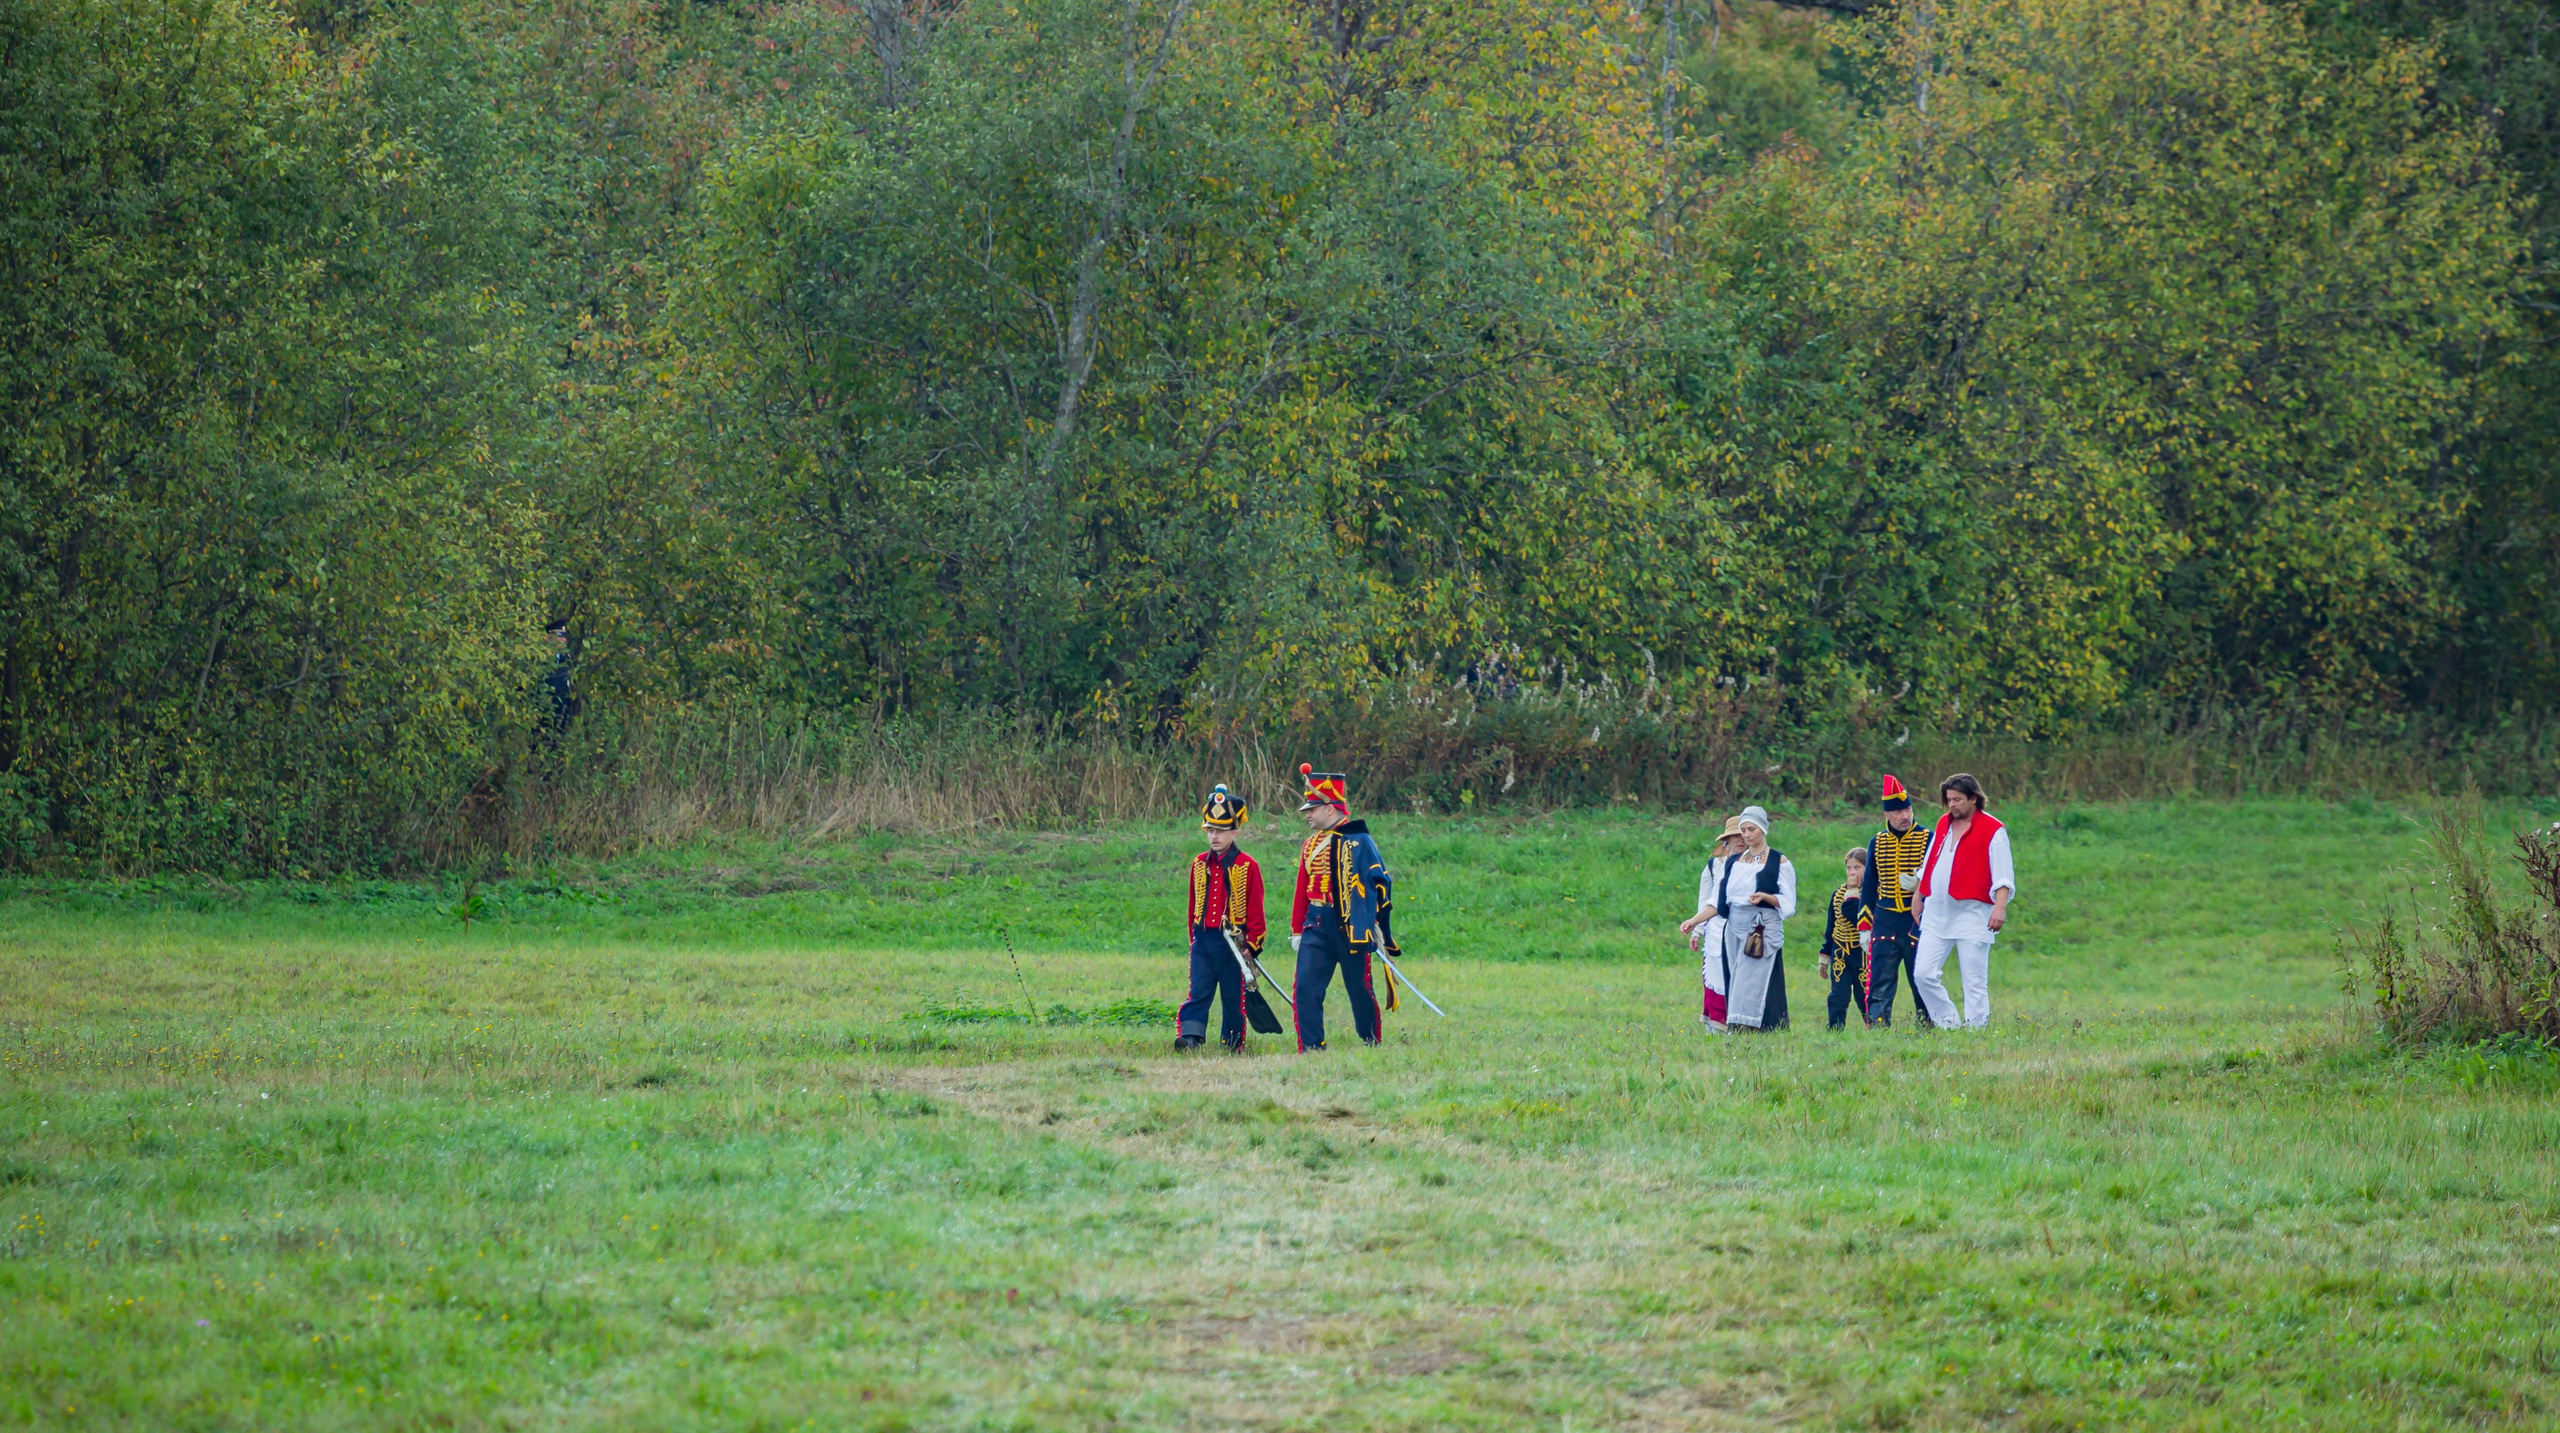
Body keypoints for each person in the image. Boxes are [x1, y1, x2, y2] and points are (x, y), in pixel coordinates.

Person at [1290, 764, 1398, 1051]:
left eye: (1312, 809)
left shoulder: (1359, 840)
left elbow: (1379, 883)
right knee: (1305, 988)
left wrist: (1375, 924)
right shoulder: (1309, 844)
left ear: (1330, 808)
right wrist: (1296, 929)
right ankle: (1312, 1046)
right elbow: (1303, 888)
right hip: (1316, 922)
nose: (1308, 814)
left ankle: (1371, 1041)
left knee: (1359, 989)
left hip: (1350, 926)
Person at [1911, 772, 2015, 1030]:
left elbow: (2003, 875)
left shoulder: (1993, 830)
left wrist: (1999, 908)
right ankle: (1948, 1024)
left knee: (1974, 981)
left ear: (1973, 799)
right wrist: (1919, 894)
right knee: (1923, 974)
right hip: (1937, 912)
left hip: (1974, 914)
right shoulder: (1943, 824)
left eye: (1957, 800)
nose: (1952, 805)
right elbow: (1930, 862)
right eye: (1949, 800)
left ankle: (1976, 1031)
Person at [1176, 784, 1267, 1052]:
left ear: (1234, 832)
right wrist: (1194, 940)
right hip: (1205, 941)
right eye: (1210, 830)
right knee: (1199, 992)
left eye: (1221, 831)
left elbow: (1255, 909)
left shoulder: (1248, 865)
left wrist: (1252, 945)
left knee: (1232, 996)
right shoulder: (1199, 864)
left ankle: (1232, 1043)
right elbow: (1193, 906)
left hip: (1234, 945)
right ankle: (1191, 1038)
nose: (1214, 836)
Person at [1710, 805, 1795, 1031]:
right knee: (1736, 975)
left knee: (1752, 976)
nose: (1747, 835)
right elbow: (1723, 898)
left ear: (1763, 829)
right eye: (1744, 830)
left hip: (1760, 925)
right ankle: (1737, 1024)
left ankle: (1748, 1026)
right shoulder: (1734, 861)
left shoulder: (1778, 861)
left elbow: (1788, 901)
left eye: (1751, 830)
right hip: (1735, 923)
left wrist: (1767, 897)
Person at [1860, 774, 1934, 1028]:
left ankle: (1928, 1026)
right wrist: (1864, 927)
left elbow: (1940, 877)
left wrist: (1921, 886)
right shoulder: (1877, 842)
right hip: (1885, 920)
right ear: (1887, 816)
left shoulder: (1928, 838)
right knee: (1880, 979)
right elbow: (1869, 886)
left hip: (1918, 919)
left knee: (1921, 979)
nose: (1905, 816)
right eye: (1899, 811)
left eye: (1908, 809)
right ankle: (1878, 1029)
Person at [1679, 816, 1745, 1030]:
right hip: (1716, 930)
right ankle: (1717, 1027)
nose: (1740, 839)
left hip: (1744, 929)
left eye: (1743, 834)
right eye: (1735, 835)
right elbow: (1706, 900)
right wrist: (1696, 931)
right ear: (1726, 840)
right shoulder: (1714, 867)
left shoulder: (1756, 865)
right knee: (1715, 978)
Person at [1822, 846, 1870, 1030]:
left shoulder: (1871, 893)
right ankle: (1835, 1028)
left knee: (1864, 993)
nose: (1852, 872)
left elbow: (1853, 915)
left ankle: (1873, 1027)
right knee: (1838, 995)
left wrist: (1853, 891)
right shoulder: (1838, 894)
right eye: (1849, 868)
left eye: (1857, 867)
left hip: (1862, 952)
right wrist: (1825, 957)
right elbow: (1831, 927)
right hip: (1841, 951)